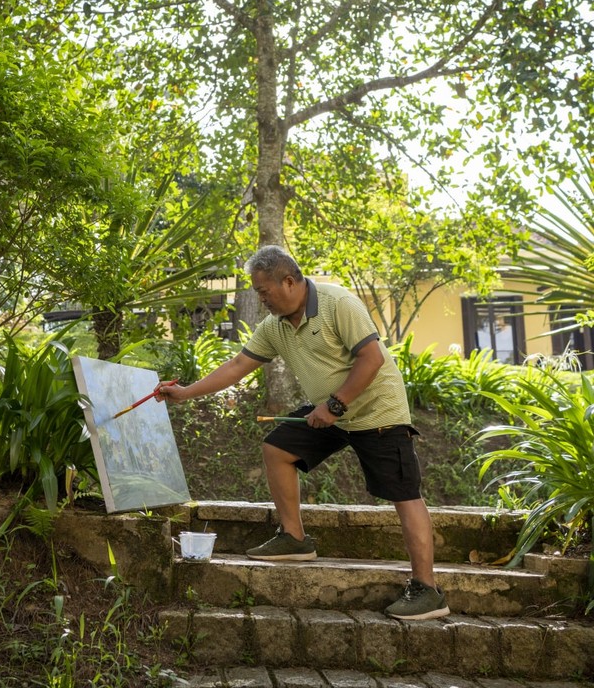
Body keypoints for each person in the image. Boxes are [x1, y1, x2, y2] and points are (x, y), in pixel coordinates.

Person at [155, 245, 449, 621]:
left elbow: (372, 358)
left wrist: (335, 405)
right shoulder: (275, 326)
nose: (260, 300)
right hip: (332, 411)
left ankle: (427, 590)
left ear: (289, 281)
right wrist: (185, 393)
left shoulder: (337, 302)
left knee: (404, 494)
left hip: (377, 412)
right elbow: (237, 365)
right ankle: (294, 538)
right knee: (278, 448)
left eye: (263, 292)